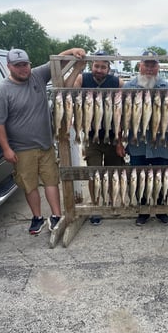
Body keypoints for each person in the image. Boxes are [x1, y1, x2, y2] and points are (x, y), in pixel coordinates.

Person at [0, 47, 86, 235]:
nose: (22, 69)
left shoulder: (37, 76)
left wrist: (73, 51)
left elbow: (57, 62)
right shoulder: (1, 90)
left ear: (29, 64)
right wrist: (6, 149)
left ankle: (57, 216)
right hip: (21, 148)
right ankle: (37, 217)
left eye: (25, 64)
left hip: (46, 144)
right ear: (8, 66)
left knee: (51, 180)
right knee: (30, 184)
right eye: (17, 66)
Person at [65, 50, 125, 226]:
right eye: (96, 66)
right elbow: (67, 89)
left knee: (114, 173)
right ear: (92, 65)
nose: (99, 69)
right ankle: (96, 205)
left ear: (108, 67)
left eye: (103, 66)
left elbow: (124, 112)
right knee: (94, 173)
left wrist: (121, 140)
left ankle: (113, 202)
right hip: (92, 137)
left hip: (113, 136)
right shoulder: (82, 79)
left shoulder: (117, 82)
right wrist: (77, 68)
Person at [123, 50, 168, 226]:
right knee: (139, 177)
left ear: (158, 67)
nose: (149, 68)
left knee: (163, 176)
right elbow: (121, 119)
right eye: (146, 64)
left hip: (162, 144)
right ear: (140, 65)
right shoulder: (128, 88)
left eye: (153, 64)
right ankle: (143, 209)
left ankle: (161, 209)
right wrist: (119, 142)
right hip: (136, 143)